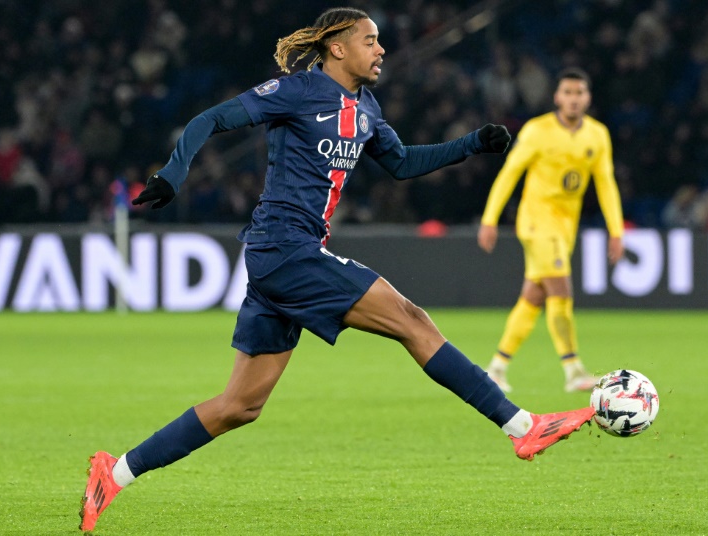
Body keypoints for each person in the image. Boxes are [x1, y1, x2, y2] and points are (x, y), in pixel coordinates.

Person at [80, 9, 595, 532]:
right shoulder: (297, 91)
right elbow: (209, 119)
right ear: (338, 48)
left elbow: (402, 164)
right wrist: (173, 172)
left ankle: (114, 472)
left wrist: (471, 145)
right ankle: (523, 425)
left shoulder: (365, 107)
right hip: (285, 248)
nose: (382, 50)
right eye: (371, 41)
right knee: (412, 320)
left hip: (282, 257)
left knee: (240, 406)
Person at [477, 67, 625, 394]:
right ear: (557, 97)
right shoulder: (537, 130)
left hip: (565, 226)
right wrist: (490, 218)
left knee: (534, 295)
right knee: (561, 290)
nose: (573, 99)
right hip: (536, 221)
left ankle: (497, 368)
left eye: (579, 93)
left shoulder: (597, 135)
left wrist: (616, 230)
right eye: (568, 93)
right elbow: (509, 174)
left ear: (587, 98)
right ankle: (573, 369)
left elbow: (606, 184)